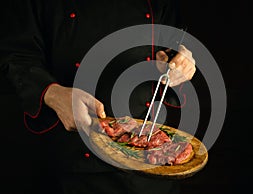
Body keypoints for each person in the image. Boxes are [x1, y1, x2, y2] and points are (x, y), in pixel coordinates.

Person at [0, 0, 196, 193]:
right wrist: (52, 93)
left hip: (146, 160)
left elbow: (172, 45)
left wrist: (179, 63)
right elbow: (16, 55)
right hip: (70, 158)